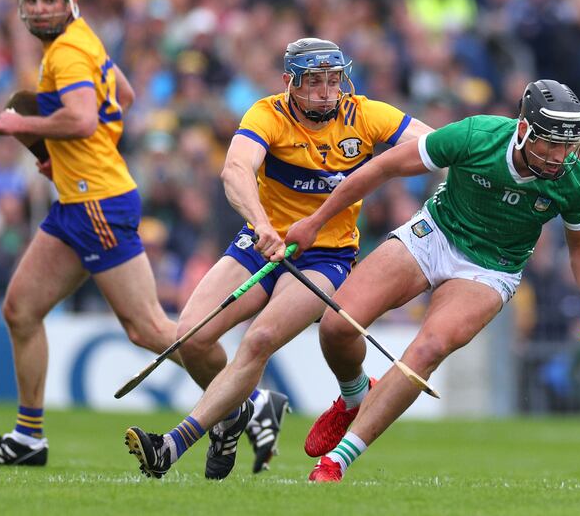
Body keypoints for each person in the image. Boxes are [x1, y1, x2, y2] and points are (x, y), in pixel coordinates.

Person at [123, 37, 433, 480]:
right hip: (261, 243)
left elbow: (432, 144)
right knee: (191, 338)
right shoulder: (268, 114)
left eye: (333, 80)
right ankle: (233, 416)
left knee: (260, 338)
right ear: (290, 82)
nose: (327, 91)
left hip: (325, 258)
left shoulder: (364, 114)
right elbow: (235, 170)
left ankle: (173, 444)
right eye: (315, 82)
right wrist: (261, 224)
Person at [284, 79, 580, 482]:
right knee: (336, 326)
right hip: (434, 234)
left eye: (569, 145)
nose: (560, 157)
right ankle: (355, 395)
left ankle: (336, 462)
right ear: (524, 130)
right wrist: (316, 222)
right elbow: (384, 167)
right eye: (551, 143)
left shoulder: (575, 179)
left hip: (491, 267)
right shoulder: (476, 135)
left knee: (429, 347)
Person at [0, 0, 178, 466]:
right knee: (20, 309)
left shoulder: (69, 51)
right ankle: (28, 437)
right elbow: (120, 97)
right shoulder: (82, 39)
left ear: (68, 0)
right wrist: (69, 154)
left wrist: (20, 124)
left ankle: (247, 401)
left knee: (147, 328)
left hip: (97, 202)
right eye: (33, 0)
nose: (40, 9)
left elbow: (82, 118)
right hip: (77, 200)